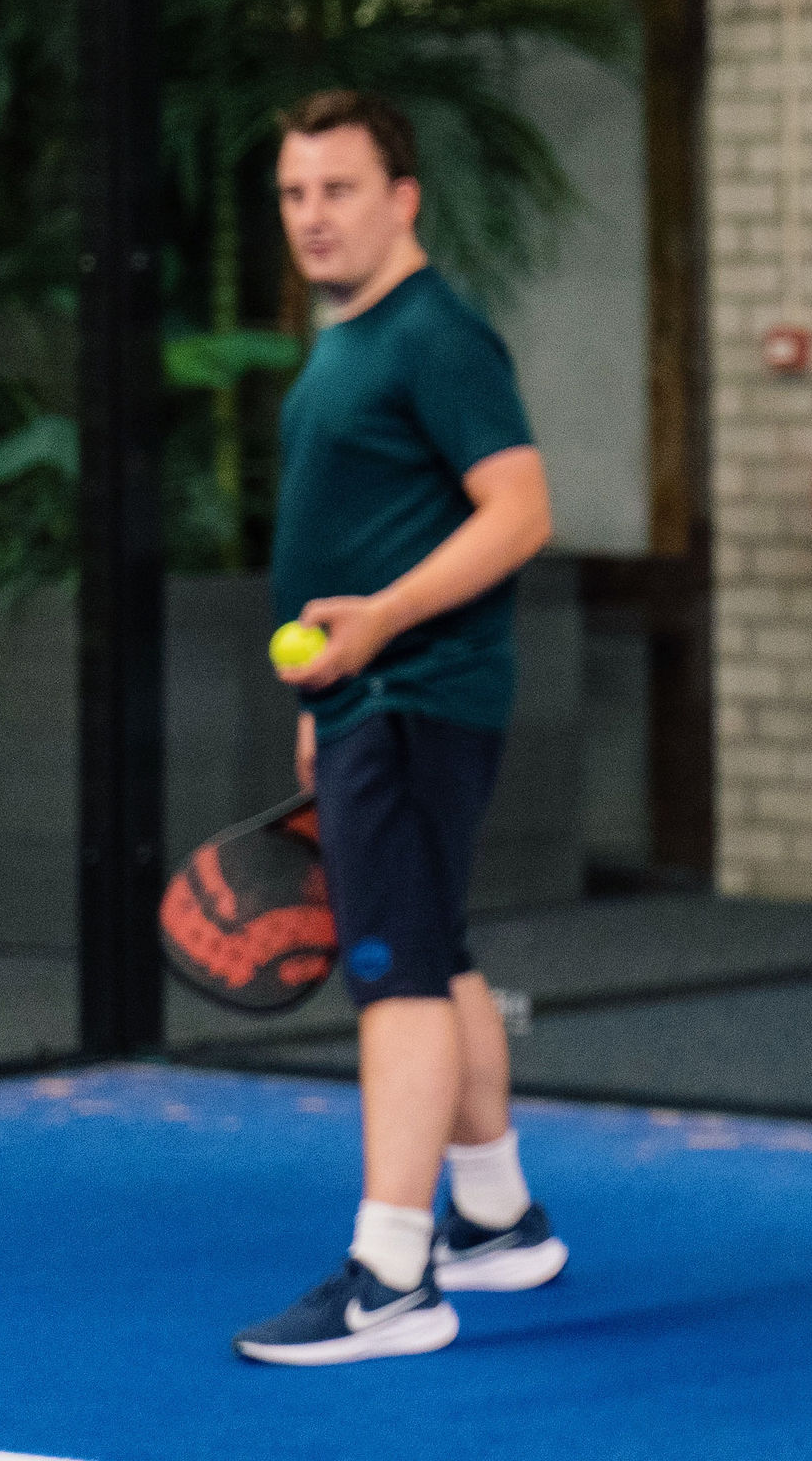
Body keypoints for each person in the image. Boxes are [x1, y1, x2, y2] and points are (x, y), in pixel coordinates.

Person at [232, 90, 564, 1365]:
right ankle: (494, 1217)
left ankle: (391, 1276)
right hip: (374, 704)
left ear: (403, 197)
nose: (313, 217)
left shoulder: (435, 336)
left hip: (416, 701)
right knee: (438, 949)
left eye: (339, 191)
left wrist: (378, 628)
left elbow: (520, 511)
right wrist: (334, 695)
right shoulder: (353, 336)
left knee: (399, 979)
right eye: (295, 195)